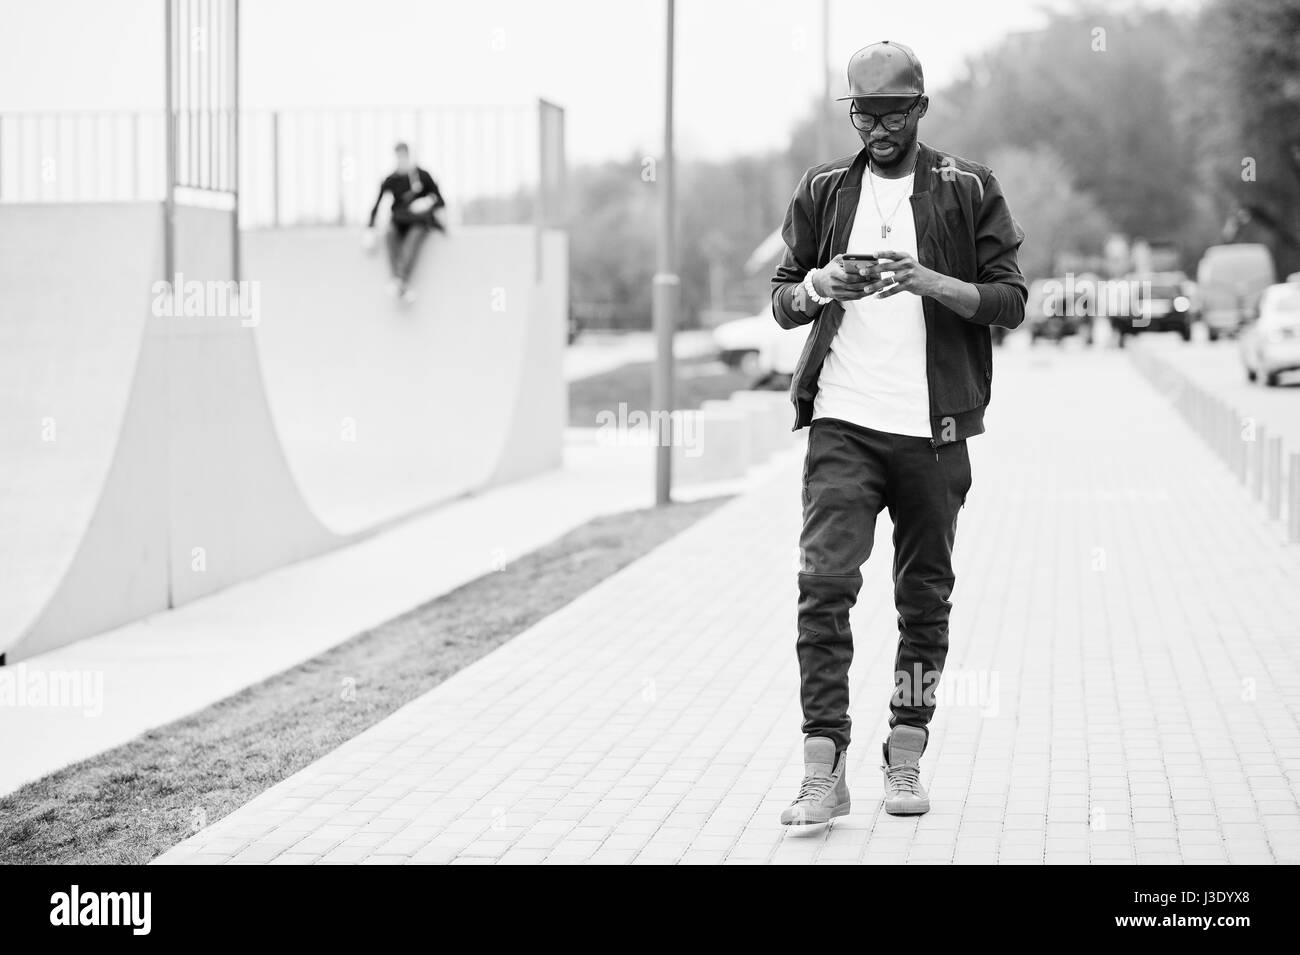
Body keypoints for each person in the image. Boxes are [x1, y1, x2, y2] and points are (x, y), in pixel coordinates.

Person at [770, 40, 1026, 828]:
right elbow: (782, 299)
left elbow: (1009, 300)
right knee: (823, 589)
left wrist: (926, 280)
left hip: (934, 430)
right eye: (863, 113)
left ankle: (905, 751)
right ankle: (824, 765)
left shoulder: (968, 188)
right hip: (844, 421)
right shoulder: (823, 190)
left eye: (891, 113)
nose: (876, 129)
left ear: (919, 109)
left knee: (923, 601)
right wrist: (822, 283)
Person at [363, 142, 445, 304]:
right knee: (389, 233)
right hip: (399, 222)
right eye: (398, 156)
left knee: (413, 237)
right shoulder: (392, 179)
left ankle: (399, 280)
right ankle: (400, 282)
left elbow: (440, 200)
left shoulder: (422, 176)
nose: (401, 159)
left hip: (419, 222)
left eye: (404, 156)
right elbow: (377, 205)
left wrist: (424, 203)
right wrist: (370, 229)